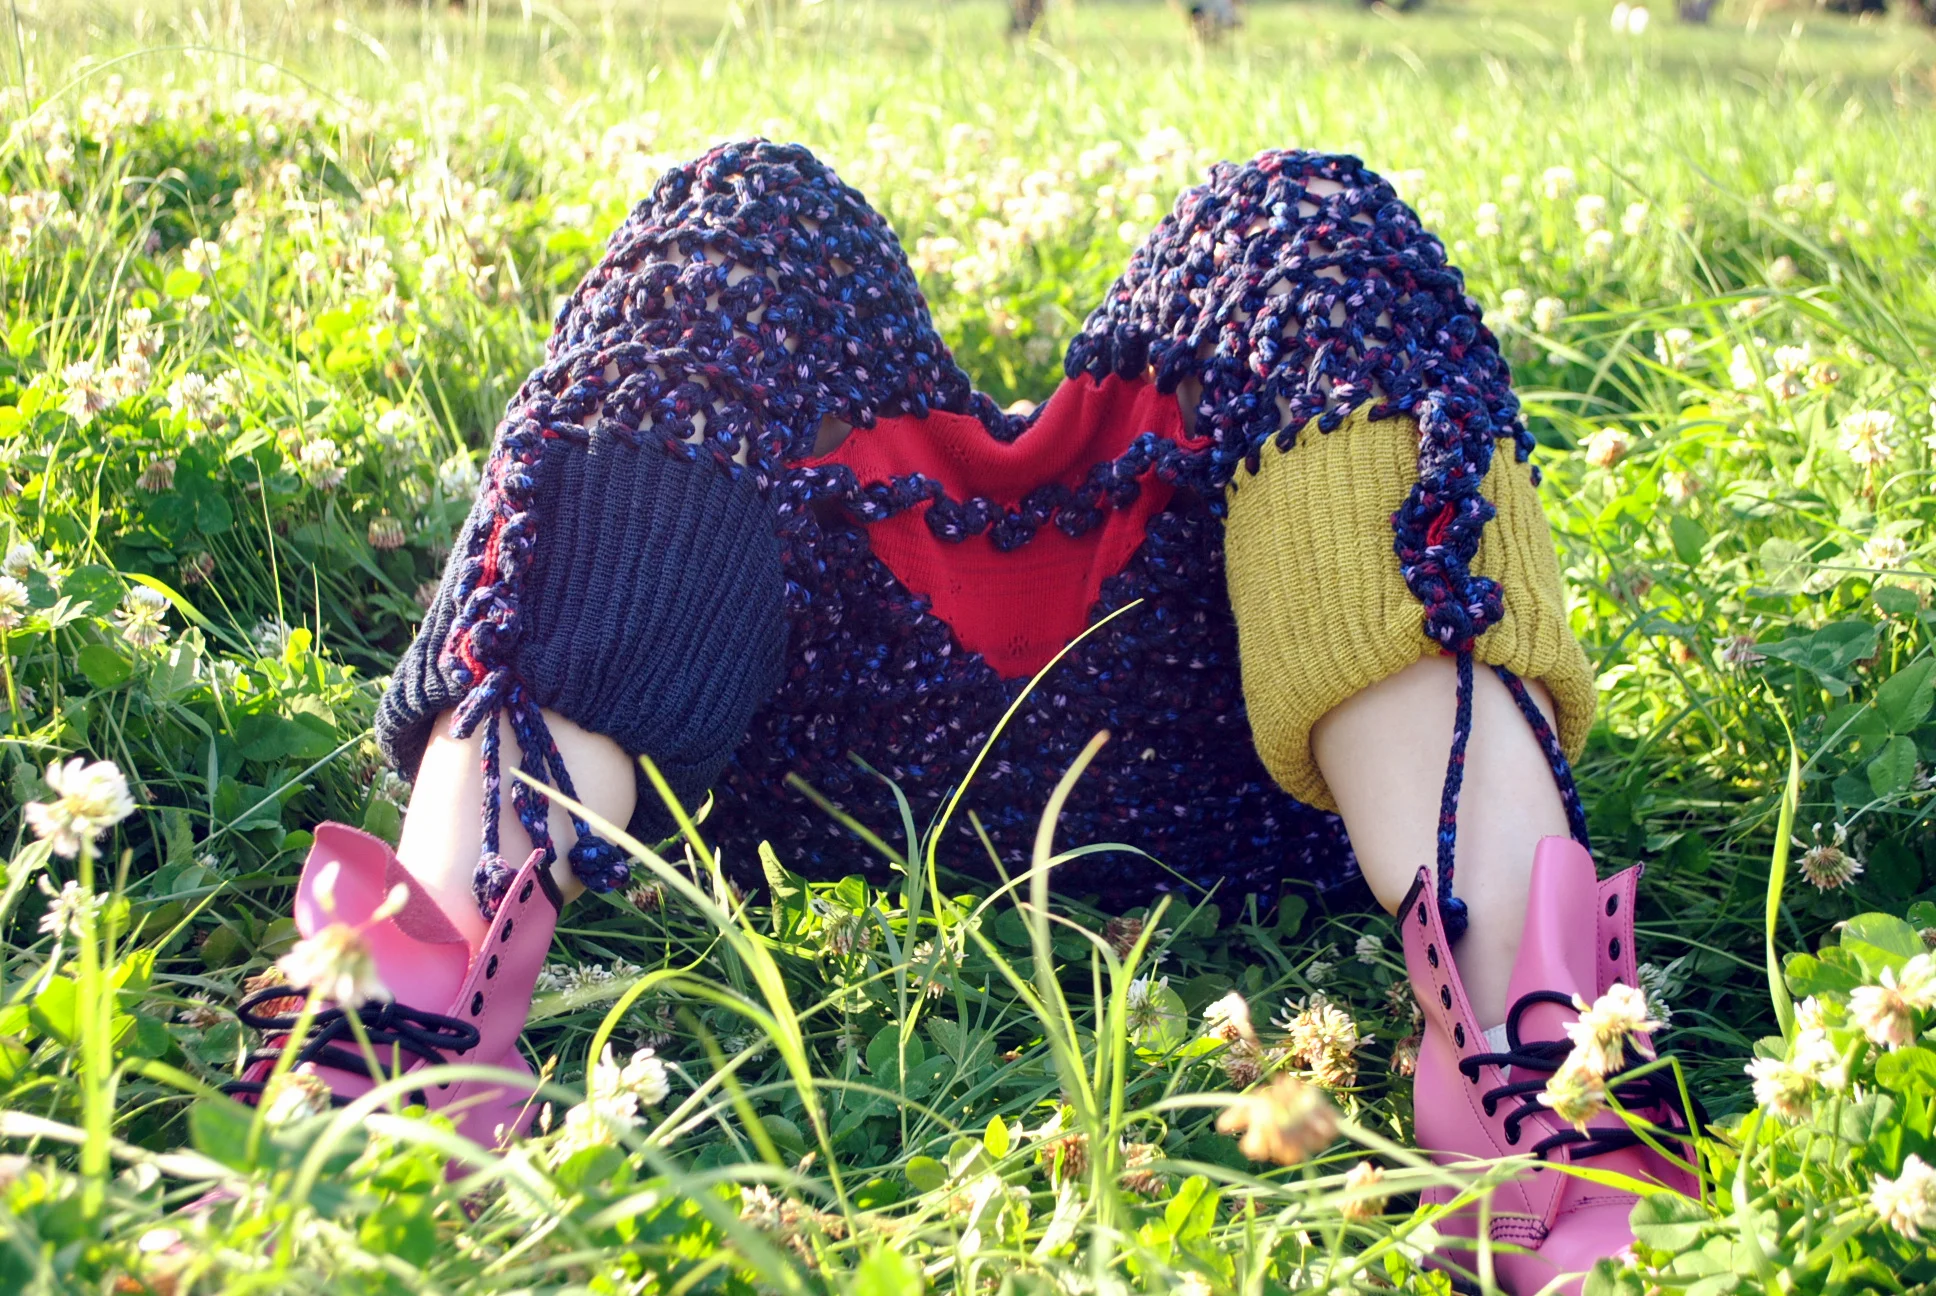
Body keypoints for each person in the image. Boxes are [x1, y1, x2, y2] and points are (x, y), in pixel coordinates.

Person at [229, 141, 1696, 1293]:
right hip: (775, 701)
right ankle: (416, 988)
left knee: (1307, 233)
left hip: (1253, 706)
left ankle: (1533, 1011)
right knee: (737, 226)